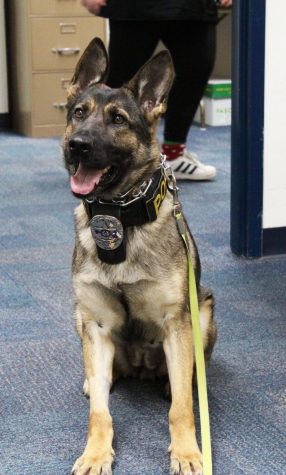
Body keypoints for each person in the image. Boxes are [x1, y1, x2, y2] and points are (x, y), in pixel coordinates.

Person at [81, 0, 232, 181]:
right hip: (134, 8)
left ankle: (174, 155)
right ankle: (99, 153)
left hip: (192, 7)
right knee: (119, 81)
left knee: (197, 69)